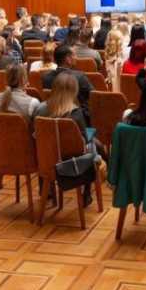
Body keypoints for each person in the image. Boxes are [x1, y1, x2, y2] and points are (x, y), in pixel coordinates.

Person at [35, 71, 97, 205]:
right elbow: (84, 141)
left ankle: (45, 191)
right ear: (74, 91)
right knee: (92, 143)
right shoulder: (76, 113)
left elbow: (35, 134)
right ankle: (86, 193)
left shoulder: (40, 109)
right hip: (73, 163)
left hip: (47, 161)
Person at [41, 44, 94, 124]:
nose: (76, 57)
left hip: (51, 117)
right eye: (75, 55)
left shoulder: (46, 77)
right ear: (68, 59)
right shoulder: (79, 77)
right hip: (77, 120)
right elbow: (94, 96)